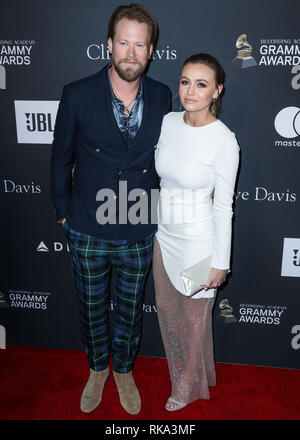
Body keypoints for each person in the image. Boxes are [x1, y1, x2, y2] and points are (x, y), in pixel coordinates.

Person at [50, 4, 171, 415]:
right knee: (90, 308)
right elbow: (60, 159)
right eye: (124, 42)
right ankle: (97, 368)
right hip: (87, 227)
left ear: (151, 50)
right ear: (109, 45)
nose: (131, 53)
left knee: (131, 311)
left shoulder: (161, 95)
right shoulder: (78, 93)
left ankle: (123, 370)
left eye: (140, 44)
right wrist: (65, 215)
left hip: (137, 226)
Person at [153, 53, 239, 411]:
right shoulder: (169, 121)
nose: (190, 91)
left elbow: (223, 206)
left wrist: (220, 262)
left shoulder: (224, 141)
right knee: (167, 310)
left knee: (193, 320)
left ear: (216, 91)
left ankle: (186, 386)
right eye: (185, 81)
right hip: (164, 235)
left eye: (201, 84)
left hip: (198, 243)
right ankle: (203, 372)